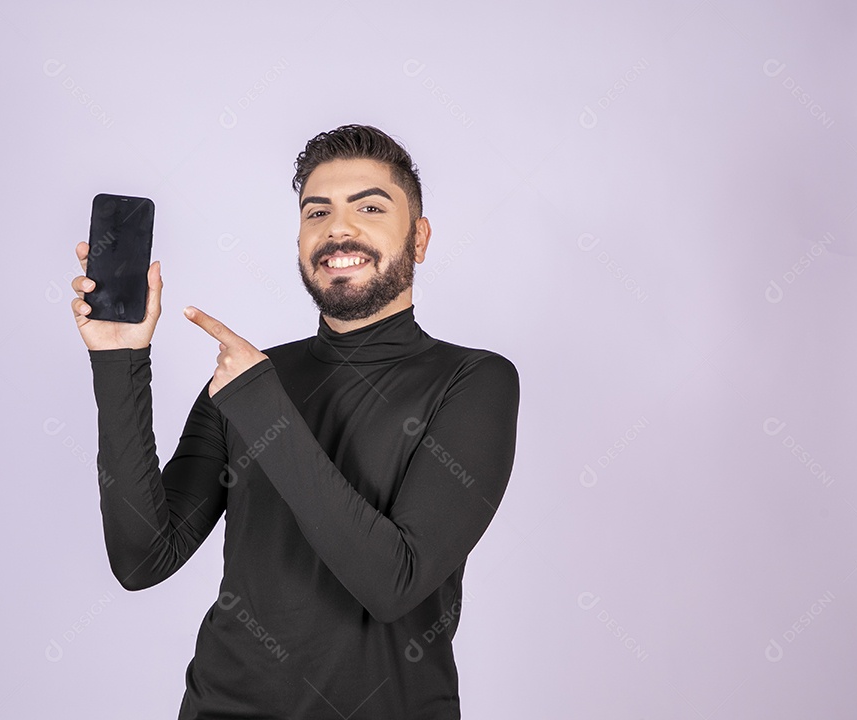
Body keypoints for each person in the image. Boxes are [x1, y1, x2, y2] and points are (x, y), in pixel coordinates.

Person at [69, 124, 519, 719]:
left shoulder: (473, 381)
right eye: (317, 211)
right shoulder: (250, 378)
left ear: (420, 238)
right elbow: (142, 558)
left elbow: (394, 583)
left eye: (370, 207)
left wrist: (261, 404)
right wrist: (118, 360)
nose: (338, 228)